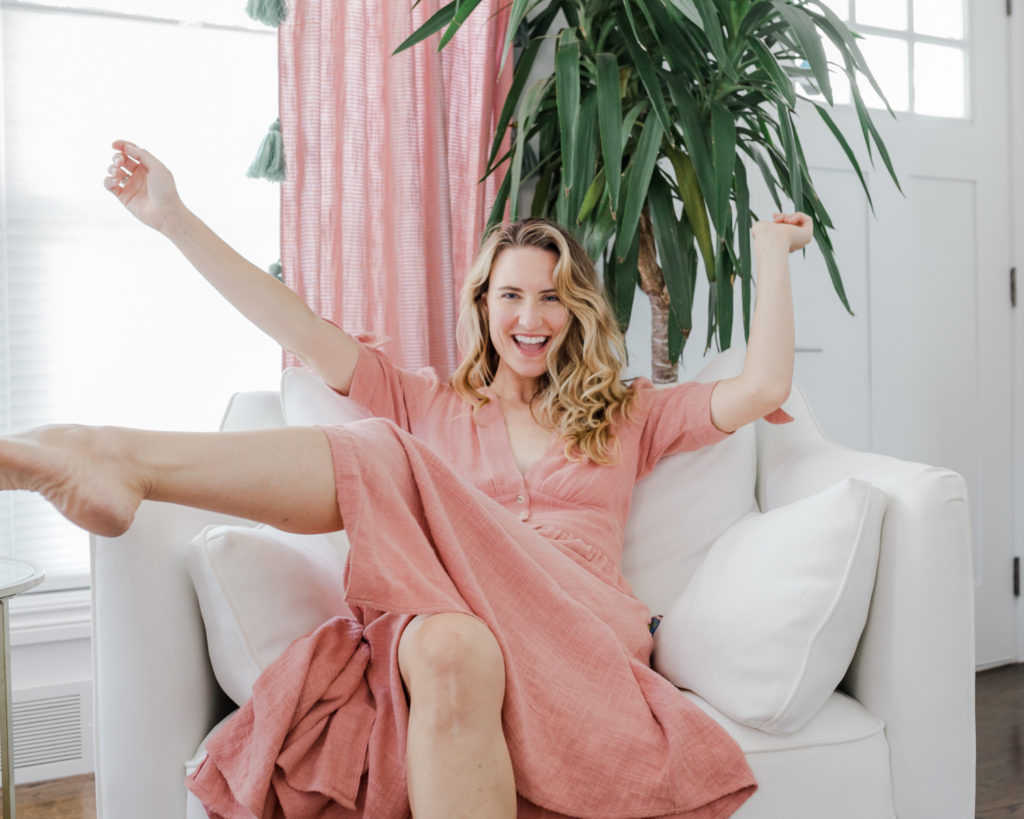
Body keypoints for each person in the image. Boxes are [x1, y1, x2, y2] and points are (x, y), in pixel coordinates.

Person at [0, 140, 811, 818]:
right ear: (482, 305)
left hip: (577, 628)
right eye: (511, 296)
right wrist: (172, 218)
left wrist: (771, 252)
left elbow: (764, 387)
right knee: (449, 641)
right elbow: (295, 324)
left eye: (553, 298)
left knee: (387, 451)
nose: (531, 318)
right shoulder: (426, 399)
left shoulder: (629, 411)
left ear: (578, 312)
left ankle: (116, 456)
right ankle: (107, 458)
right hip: (454, 618)